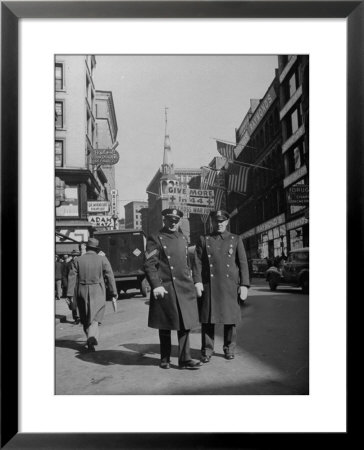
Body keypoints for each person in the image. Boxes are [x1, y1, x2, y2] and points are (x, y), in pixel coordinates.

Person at [144, 208, 202, 370]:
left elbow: (187, 262)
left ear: (179, 222)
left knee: (185, 324)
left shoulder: (183, 238)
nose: (173, 223)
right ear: (165, 220)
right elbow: (149, 264)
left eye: (176, 221)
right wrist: (156, 285)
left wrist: (194, 281)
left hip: (184, 286)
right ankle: (165, 358)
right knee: (165, 324)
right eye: (170, 220)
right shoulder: (155, 238)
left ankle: (185, 359)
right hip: (166, 286)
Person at [193, 210, 250, 363]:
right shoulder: (204, 239)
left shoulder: (235, 239)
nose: (219, 224)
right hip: (209, 285)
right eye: (216, 221)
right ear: (212, 222)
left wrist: (244, 284)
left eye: (222, 221)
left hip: (229, 285)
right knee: (207, 320)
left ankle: (229, 348)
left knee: (230, 319)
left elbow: (243, 263)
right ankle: (207, 350)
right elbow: (197, 262)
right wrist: (197, 281)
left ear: (227, 222)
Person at [67, 237, 118, 352]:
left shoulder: (78, 260)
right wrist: (113, 292)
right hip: (98, 290)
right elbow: (110, 276)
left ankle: (90, 341)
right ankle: (92, 338)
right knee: (96, 317)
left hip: (82, 290)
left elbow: (71, 277)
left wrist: (70, 295)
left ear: (87, 247)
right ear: (96, 248)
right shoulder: (103, 259)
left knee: (85, 317)